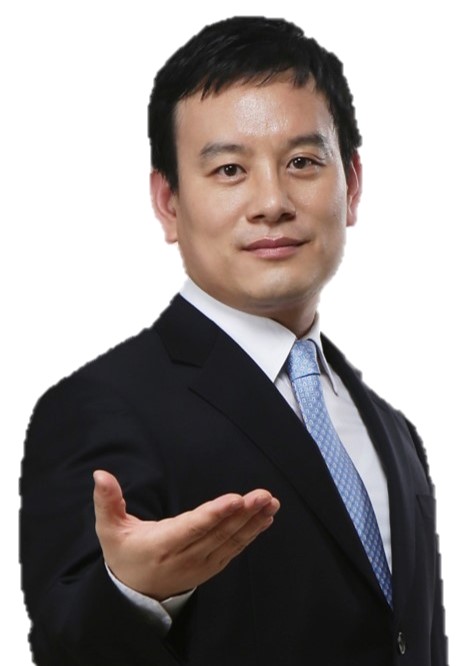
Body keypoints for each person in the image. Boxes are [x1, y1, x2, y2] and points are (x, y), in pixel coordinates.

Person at [20, 15, 447, 666]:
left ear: (352, 185)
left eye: (302, 162)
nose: (271, 201)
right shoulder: (97, 406)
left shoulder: (392, 429)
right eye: (228, 169)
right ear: (169, 202)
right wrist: (133, 593)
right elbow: (66, 639)